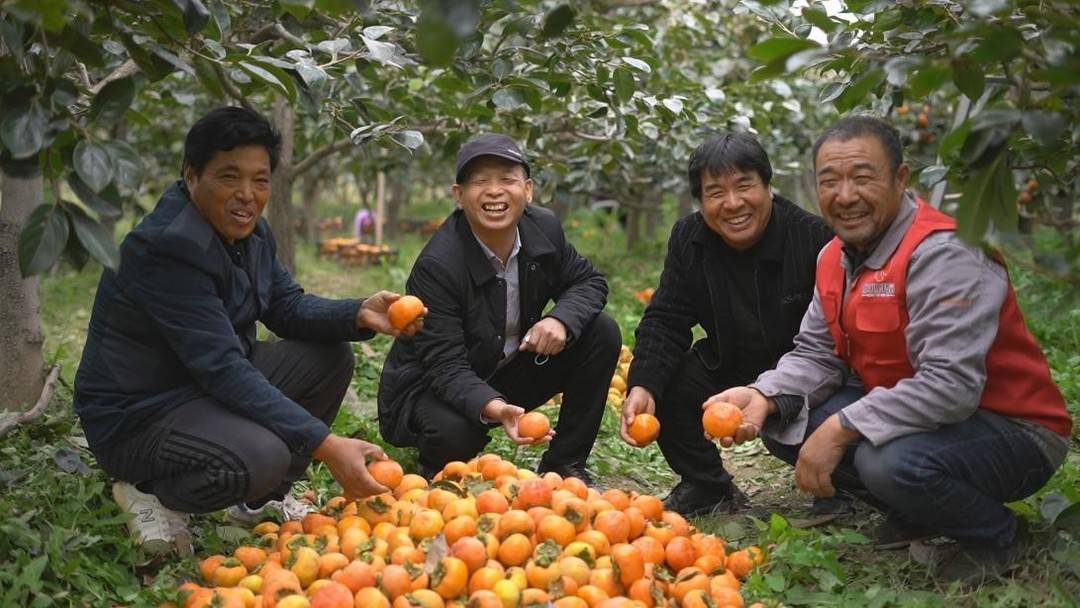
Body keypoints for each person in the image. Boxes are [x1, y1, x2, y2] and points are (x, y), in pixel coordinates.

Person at [711, 116, 1072, 584]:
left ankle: (997, 535)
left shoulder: (945, 253)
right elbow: (817, 353)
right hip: (928, 417)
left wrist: (842, 427)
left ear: (900, 180)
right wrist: (764, 394)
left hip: (1013, 428)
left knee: (887, 462)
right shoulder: (833, 258)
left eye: (863, 177)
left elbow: (952, 386)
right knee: (785, 420)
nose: (845, 195)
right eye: (830, 181)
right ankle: (921, 511)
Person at [73, 106, 421, 556]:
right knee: (263, 456)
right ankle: (148, 490)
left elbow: (285, 306)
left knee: (328, 357)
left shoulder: (251, 234)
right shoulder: (168, 248)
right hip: (138, 414)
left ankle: (258, 503)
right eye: (229, 177)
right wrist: (326, 444)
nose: (247, 195)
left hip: (197, 386)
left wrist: (358, 313)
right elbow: (222, 369)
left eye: (260, 180)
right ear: (192, 175)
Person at [378, 133, 621, 482]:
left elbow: (589, 282)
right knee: (455, 435)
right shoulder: (438, 266)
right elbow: (446, 367)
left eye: (507, 179)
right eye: (480, 182)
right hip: (432, 385)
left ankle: (564, 464)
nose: (495, 191)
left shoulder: (543, 229)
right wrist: (497, 409)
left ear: (528, 190)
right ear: (459, 197)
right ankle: (440, 471)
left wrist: (561, 320)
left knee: (601, 332)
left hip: (504, 366)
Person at [618, 132, 833, 516]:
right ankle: (707, 486)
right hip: (730, 361)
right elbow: (667, 317)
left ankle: (837, 486)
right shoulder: (690, 238)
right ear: (700, 202)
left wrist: (777, 395)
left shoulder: (813, 238)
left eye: (744, 186)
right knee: (666, 379)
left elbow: (836, 341)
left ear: (768, 186)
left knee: (833, 407)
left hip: (805, 370)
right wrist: (643, 382)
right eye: (715, 193)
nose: (732, 204)